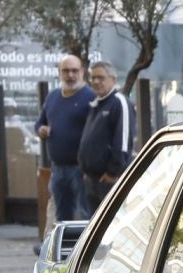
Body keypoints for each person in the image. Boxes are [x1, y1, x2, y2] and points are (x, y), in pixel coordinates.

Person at [35, 54, 94, 223]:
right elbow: (40, 123)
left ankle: (87, 242)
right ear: (59, 73)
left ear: (82, 72)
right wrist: (41, 129)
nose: (70, 75)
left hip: (82, 169)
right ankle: (64, 242)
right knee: (61, 219)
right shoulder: (52, 97)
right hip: (58, 168)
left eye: (74, 70)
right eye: (66, 71)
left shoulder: (90, 97)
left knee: (87, 216)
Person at [78, 61, 135, 218]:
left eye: (101, 77)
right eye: (93, 78)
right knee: (93, 226)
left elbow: (123, 141)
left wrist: (113, 172)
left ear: (113, 79)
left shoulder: (119, 102)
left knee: (112, 224)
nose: (96, 81)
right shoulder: (96, 103)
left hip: (109, 180)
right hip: (92, 180)